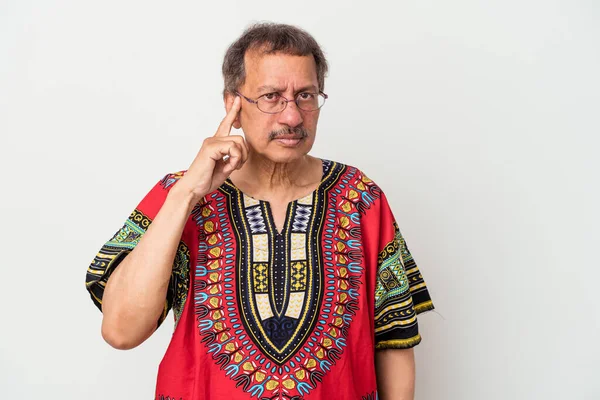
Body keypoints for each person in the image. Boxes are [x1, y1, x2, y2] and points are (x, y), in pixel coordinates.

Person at [85, 22, 434, 400]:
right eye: (271, 96)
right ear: (232, 106)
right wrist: (189, 193)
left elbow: (394, 338)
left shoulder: (361, 198)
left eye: (306, 95)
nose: (292, 117)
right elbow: (121, 331)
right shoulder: (178, 195)